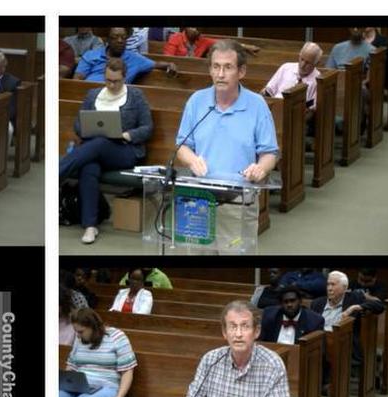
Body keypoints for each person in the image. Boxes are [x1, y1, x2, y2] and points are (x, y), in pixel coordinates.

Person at [61, 57, 152, 245]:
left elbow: (147, 127)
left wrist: (125, 135)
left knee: (100, 143)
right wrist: (86, 129)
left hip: (124, 150)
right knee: (89, 168)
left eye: (116, 81)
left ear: (124, 78)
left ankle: (57, 172)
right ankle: (90, 226)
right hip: (93, 149)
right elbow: (78, 123)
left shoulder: (136, 96)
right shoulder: (93, 94)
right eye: (108, 80)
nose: (111, 84)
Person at [175, 40, 278, 185]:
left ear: (241, 71)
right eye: (216, 67)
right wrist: (192, 160)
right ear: (210, 70)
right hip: (200, 192)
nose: (221, 74)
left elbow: (269, 153)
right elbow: (182, 147)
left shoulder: (258, 105)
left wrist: (260, 168)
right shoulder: (196, 101)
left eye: (228, 67)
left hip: (240, 193)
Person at [310, 271, 385, 366]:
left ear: (344, 287)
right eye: (328, 284)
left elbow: (380, 306)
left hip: (345, 345)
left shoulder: (354, 298)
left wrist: (355, 307)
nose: (329, 288)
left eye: (333, 285)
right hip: (319, 344)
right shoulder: (317, 303)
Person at [75, 28, 176, 82]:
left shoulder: (134, 58)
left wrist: (169, 64)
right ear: (108, 40)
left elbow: (156, 64)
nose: (120, 41)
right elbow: (76, 82)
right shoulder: (91, 56)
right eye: (115, 37)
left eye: (123, 37)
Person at [263, 43, 323, 125]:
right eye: (301, 59)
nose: (302, 65)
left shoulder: (318, 80)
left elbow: (312, 111)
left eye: (308, 63)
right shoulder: (286, 67)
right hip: (274, 112)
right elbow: (267, 92)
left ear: (316, 63)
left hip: (296, 120)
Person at [260, 285, 325, 344]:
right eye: (286, 302)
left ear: (300, 301)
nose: (289, 305)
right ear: (280, 304)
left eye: (293, 300)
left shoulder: (314, 321)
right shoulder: (270, 316)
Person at [164, 28, 261, 58]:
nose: (195, 30)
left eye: (198, 29)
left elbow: (225, 42)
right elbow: (168, 58)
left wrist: (245, 47)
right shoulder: (175, 38)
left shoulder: (202, 40)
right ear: (186, 28)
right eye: (193, 27)